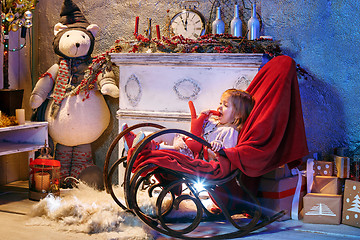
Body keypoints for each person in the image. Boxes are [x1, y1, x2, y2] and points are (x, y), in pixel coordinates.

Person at [122, 88, 255, 160]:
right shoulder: (215, 123)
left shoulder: (230, 131)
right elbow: (198, 132)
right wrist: (203, 119)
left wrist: (218, 147)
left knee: (178, 149)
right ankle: (138, 141)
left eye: (225, 105)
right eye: (220, 103)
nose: (219, 108)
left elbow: (228, 156)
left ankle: (154, 148)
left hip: (197, 157)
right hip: (190, 144)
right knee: (170, 133)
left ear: (238, 115)